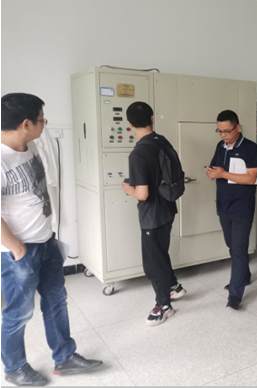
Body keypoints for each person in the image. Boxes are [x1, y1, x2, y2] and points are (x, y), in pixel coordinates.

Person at [1, 93, 103, 386]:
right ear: (26, 123)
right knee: (19, 313)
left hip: (47, 242)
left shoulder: (30, 145)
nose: (44, 123)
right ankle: (14, 368)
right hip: (19, 252)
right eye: (41, 119)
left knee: (56, 302)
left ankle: (65, 357)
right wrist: (17, 248)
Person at [122, 102, 186, 326]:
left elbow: (142, 194)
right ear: (152, 118)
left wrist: (128, 189)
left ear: (129, 124)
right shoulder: (162, 141)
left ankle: (164, 306)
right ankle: (174, 286)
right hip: (168, 208)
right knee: (160, 253)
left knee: (152, 263)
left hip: (152, 216)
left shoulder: (138, 153)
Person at [205, 110, 257, 310]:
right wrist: (212, 172)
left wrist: (223, 174)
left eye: (227, 131)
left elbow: (251, 178)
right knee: (232, 246)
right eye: (219, 131)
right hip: (223, 206)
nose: (223, 135)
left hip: (242, 208)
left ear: (238, 127)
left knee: (238, 249)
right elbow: (216, 169)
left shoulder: (251, 148)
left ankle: (235, 296)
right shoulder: (220, 147)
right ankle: (244, 275)